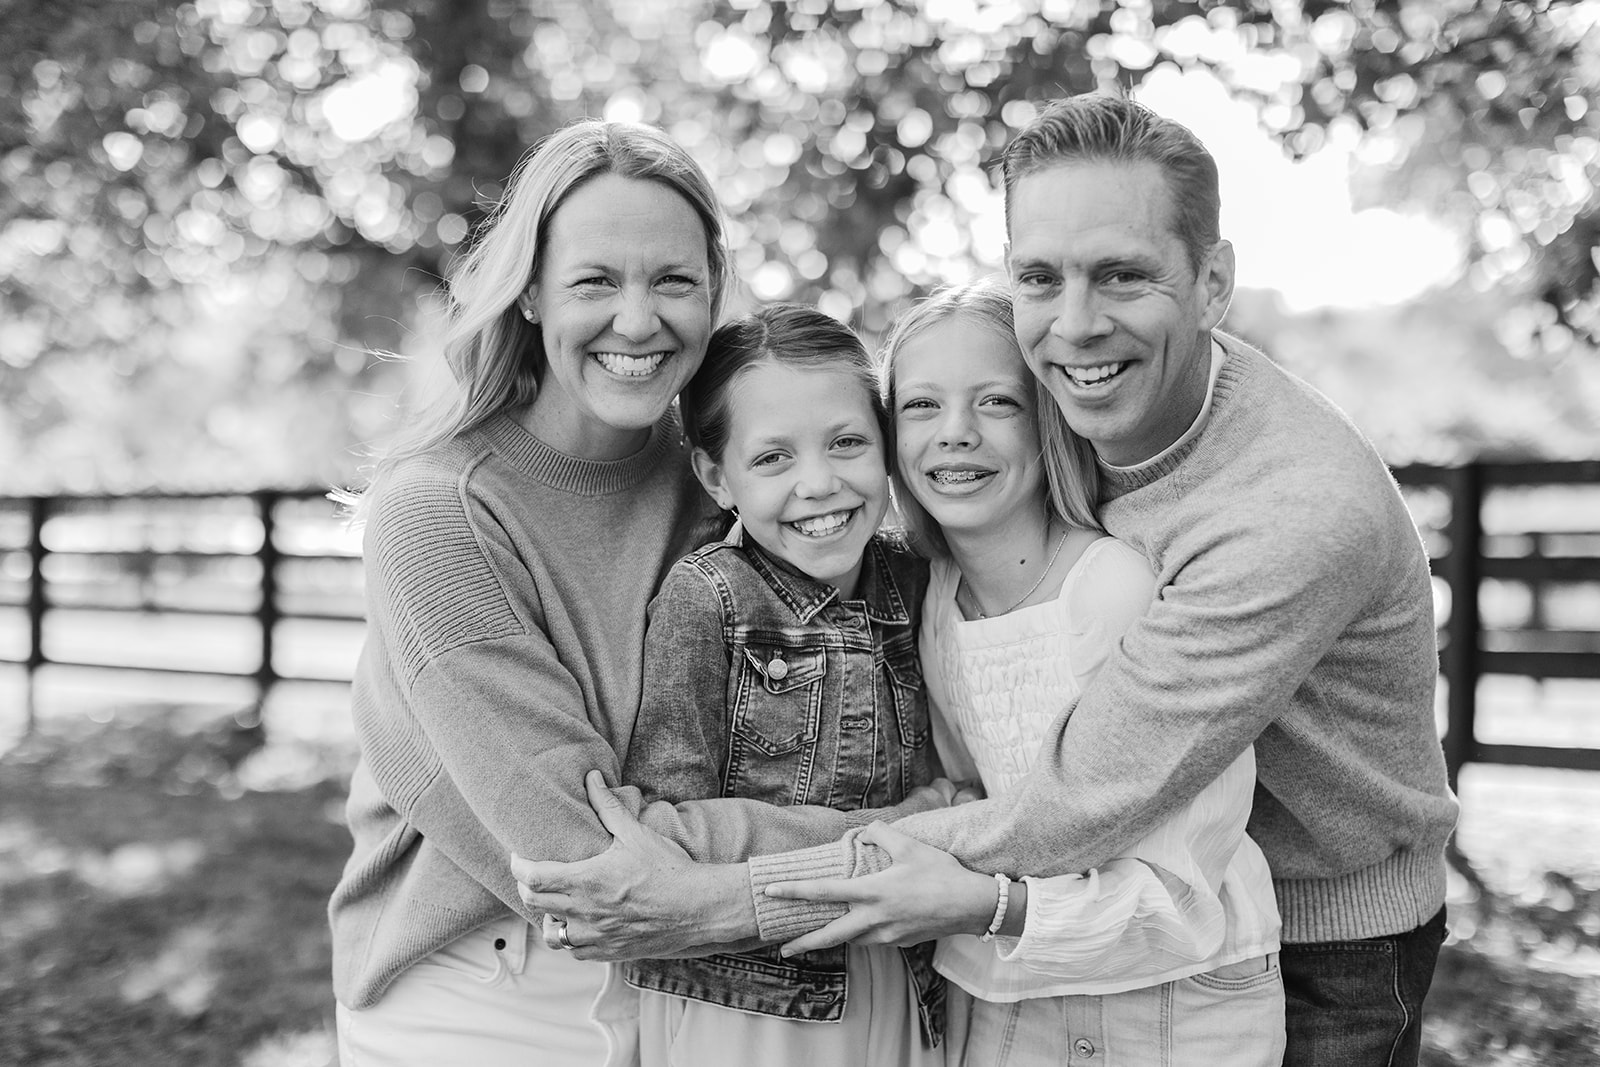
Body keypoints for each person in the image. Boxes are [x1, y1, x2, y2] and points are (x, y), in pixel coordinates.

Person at [512, 93, 1459, 1067]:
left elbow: (1072, 802)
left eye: (1123, 274)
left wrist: (723, 897)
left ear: (1212, 280)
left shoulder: (1287, 510)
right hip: (1039, 943)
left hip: (1318, 921)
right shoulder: (1037, 455)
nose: (1077, 324)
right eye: (1040, 278)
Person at [328, 119, 952, 1067]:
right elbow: (580, 856)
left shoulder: (731, 476)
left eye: (671, 281)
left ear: (710, 291)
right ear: (531, 293)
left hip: (708, 990)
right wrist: (919, 838)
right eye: (594, 281)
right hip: (490, 984)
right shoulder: (440, 510)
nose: (636, 319)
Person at [773, 279, 1282, 1064]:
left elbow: (1185, 892)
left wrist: (990, 903)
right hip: (997, 991)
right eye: (921, 406)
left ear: (1046, 420)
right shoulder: (930, 598)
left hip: (1174, 999)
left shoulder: (1112, 591)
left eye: (997, 403)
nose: (955, 434)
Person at [621, 303, 944, 1067]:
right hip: (747, 992)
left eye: (847, 443)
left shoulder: (916, 580)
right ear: (716, 475)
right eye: (772, 459)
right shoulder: (709, 598)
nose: (819, 482)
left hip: (895, 965)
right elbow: (669, 825)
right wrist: (901, 831)